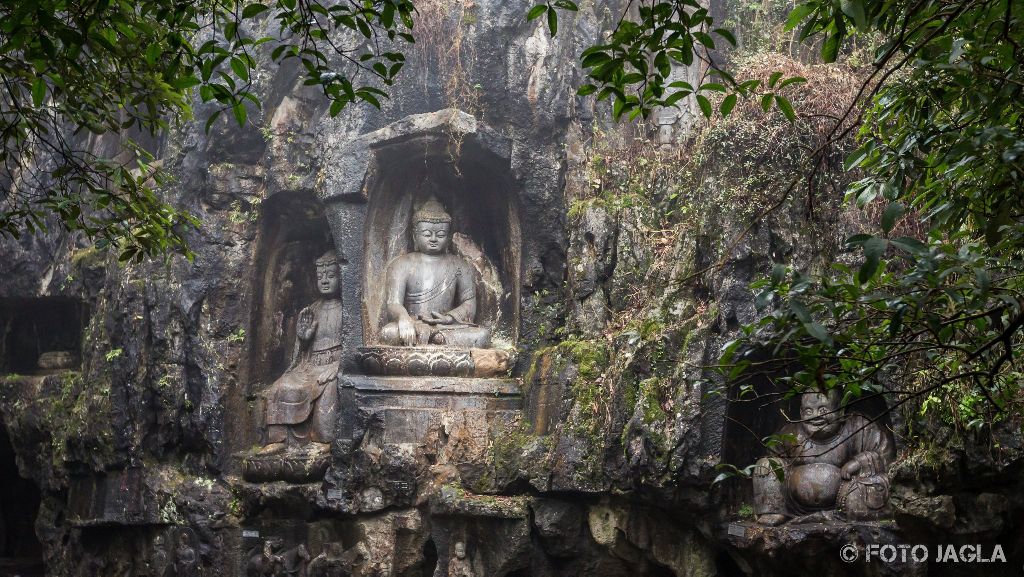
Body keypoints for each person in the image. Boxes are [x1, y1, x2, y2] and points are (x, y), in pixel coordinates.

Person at [753, 389, 894, 524]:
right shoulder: (790, 433)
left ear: (840, 410)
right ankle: (772, 511)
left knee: (870, 487)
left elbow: (884, 456)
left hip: (844, 497)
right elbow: (774, 454)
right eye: (809, 411)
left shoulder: (859, 427)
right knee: (766, 464)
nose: (816, 416)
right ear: (801, 413)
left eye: (823, 410)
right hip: (794, 503)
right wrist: (768, 462)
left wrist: (860, 462)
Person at [379, 197, 490, 348]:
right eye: (426, 234)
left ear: (449, 237)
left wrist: (450, 318)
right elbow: (393, 303)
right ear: (415, 235)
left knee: (482, 336)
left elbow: (469, 304)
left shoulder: (460, 265)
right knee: (388, 333)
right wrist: (403, 319)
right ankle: (434, 342)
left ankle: (430, 340)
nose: (433, 239)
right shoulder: (401, 264)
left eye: (440, 234)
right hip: (412, 324)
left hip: (446, 327)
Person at [260, 250, 343, 453]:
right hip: (309, 366)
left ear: (342, 277)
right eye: (320, 276)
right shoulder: (312, 309)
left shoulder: (347, 310)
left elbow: (353, 346)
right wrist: (303, 338)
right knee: (280, 386)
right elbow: (300, 354)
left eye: (331, 276)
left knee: (330, 387)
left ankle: (322, 441)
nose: (325, 280)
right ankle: (278, 440)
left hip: (333, 366)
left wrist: (337, 366)